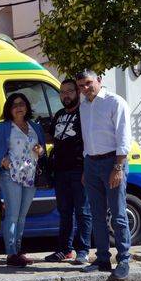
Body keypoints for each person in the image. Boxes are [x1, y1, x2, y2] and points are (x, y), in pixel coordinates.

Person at [77, 70, 132, 280]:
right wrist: (86, 167)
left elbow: (123, 137)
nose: (84, 89)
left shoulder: (115, 102)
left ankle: (124, 259)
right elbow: (87, 138)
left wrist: (118, 168)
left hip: (112, 162)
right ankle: (102, 259)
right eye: (81, 85)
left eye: (88, 83)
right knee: (96, 215)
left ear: (99, 80)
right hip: (91, 163)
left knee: (117, 215)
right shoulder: (84, 106)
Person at [0, 93, 46, 268]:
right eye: (14, 105)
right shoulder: (2, 127)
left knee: (22, 216)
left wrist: (40, 150)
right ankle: (11, 253)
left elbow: (41, 150)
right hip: (11, 175)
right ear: (9, 110)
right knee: (12, 215)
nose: (18, 107)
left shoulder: (35, 127)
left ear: (27, 106)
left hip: (30, 176)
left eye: (21, 103)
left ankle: (18, 251)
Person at [44, 79, 93, 264]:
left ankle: (83, 250)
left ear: (77, 92)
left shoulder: (85, 112)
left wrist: (86, 169)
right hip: (60, 171)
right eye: (62, 92)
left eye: (69, 91)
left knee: (83, 211)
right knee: (64, 212)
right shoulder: (59, 114)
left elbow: (91, 141)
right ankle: (64, 250)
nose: (66, 95)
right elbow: (51, 137)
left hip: (79, 170)